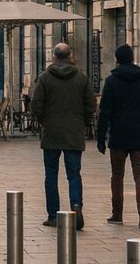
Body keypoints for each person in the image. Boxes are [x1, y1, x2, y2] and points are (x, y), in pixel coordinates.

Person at [29, 43, 96, 230]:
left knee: (51, 175)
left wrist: (45, 122)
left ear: (54, 56)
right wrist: (81, 122)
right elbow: (91, 105)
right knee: (74, 174)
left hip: (51, 132)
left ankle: (53, 216)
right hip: (74, 132)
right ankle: (76, 206)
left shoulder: (44, 78)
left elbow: (36, 106)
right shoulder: (82, 78)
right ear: (70, 55)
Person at [96, 45, 140, 229]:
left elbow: (105, 111)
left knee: (117, 175)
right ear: (133, 58)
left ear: (117, 59)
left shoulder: (111, 81)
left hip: (119, 133)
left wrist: (101, 137)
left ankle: (117, 214)